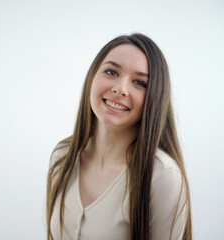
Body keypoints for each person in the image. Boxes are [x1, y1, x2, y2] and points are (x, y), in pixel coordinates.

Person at [46, 33, 192, 240]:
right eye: (111, 72)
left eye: (140, 83)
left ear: (155, 97)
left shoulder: (162, 177)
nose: (120, 89)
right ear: (92, 77)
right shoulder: (62, 156)